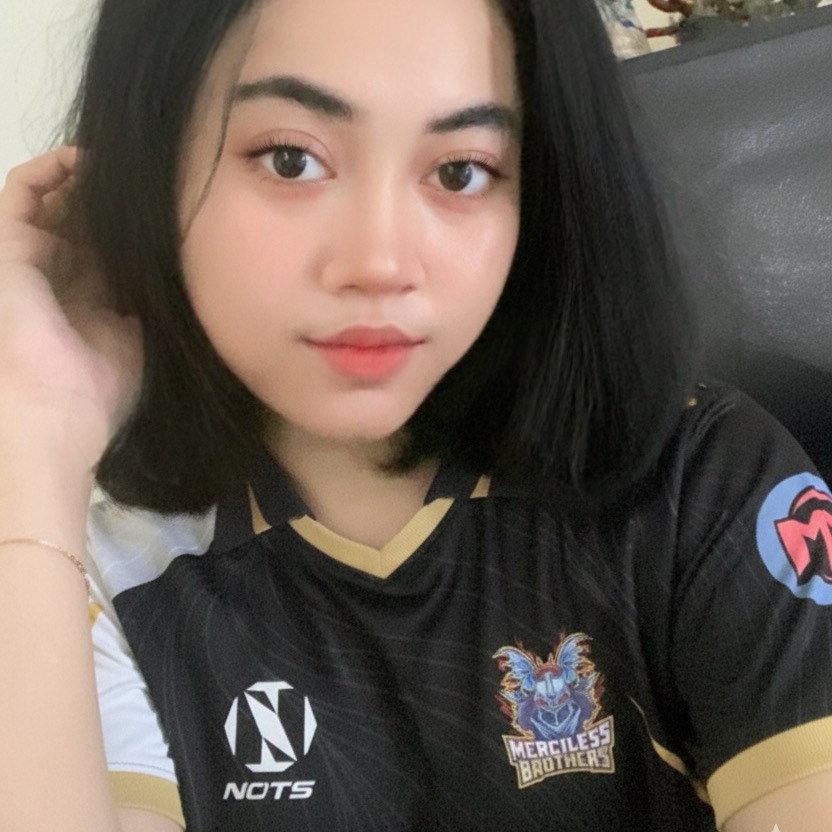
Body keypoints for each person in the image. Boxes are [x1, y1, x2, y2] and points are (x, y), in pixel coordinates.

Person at [0, 0, 830, 829]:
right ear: (147, 176)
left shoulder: (707, 483)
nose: (381, 262)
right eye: (290, 159)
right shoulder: (83, 561)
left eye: (461, 171)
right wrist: (33, 435)